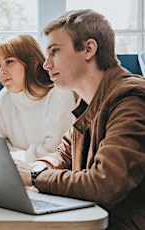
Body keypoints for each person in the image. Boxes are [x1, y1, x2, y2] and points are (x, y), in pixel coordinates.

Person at [15, 9, 145, 229]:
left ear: (88, 49)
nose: (46, 65)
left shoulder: (131, 99)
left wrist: (35, 178)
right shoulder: (89, 103)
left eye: (54, 51)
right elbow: (63, 153)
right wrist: (35, 167)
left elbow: (103, 183)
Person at [0, 34, 76, 163]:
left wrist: (13, 154)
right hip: (13, 171)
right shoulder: (4, 97)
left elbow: (54, 153)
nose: (2, 72)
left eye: (9, 62)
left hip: (47, 175)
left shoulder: (58, 94)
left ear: (34, 63)